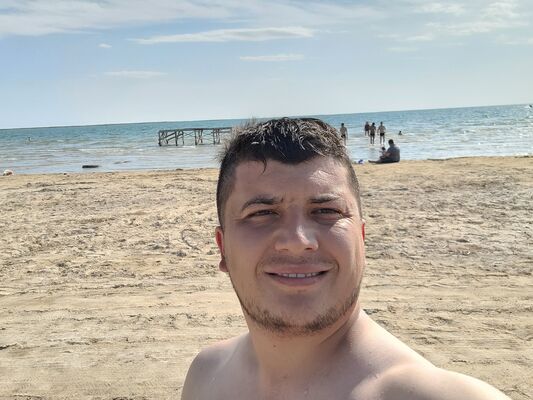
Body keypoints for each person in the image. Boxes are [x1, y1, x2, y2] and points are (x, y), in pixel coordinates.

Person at [181, 118, 510, 400]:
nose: (298, 242)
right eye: (262, 213)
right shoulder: (205, 375)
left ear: (361, 239)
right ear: (222, 248)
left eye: (326, 211)